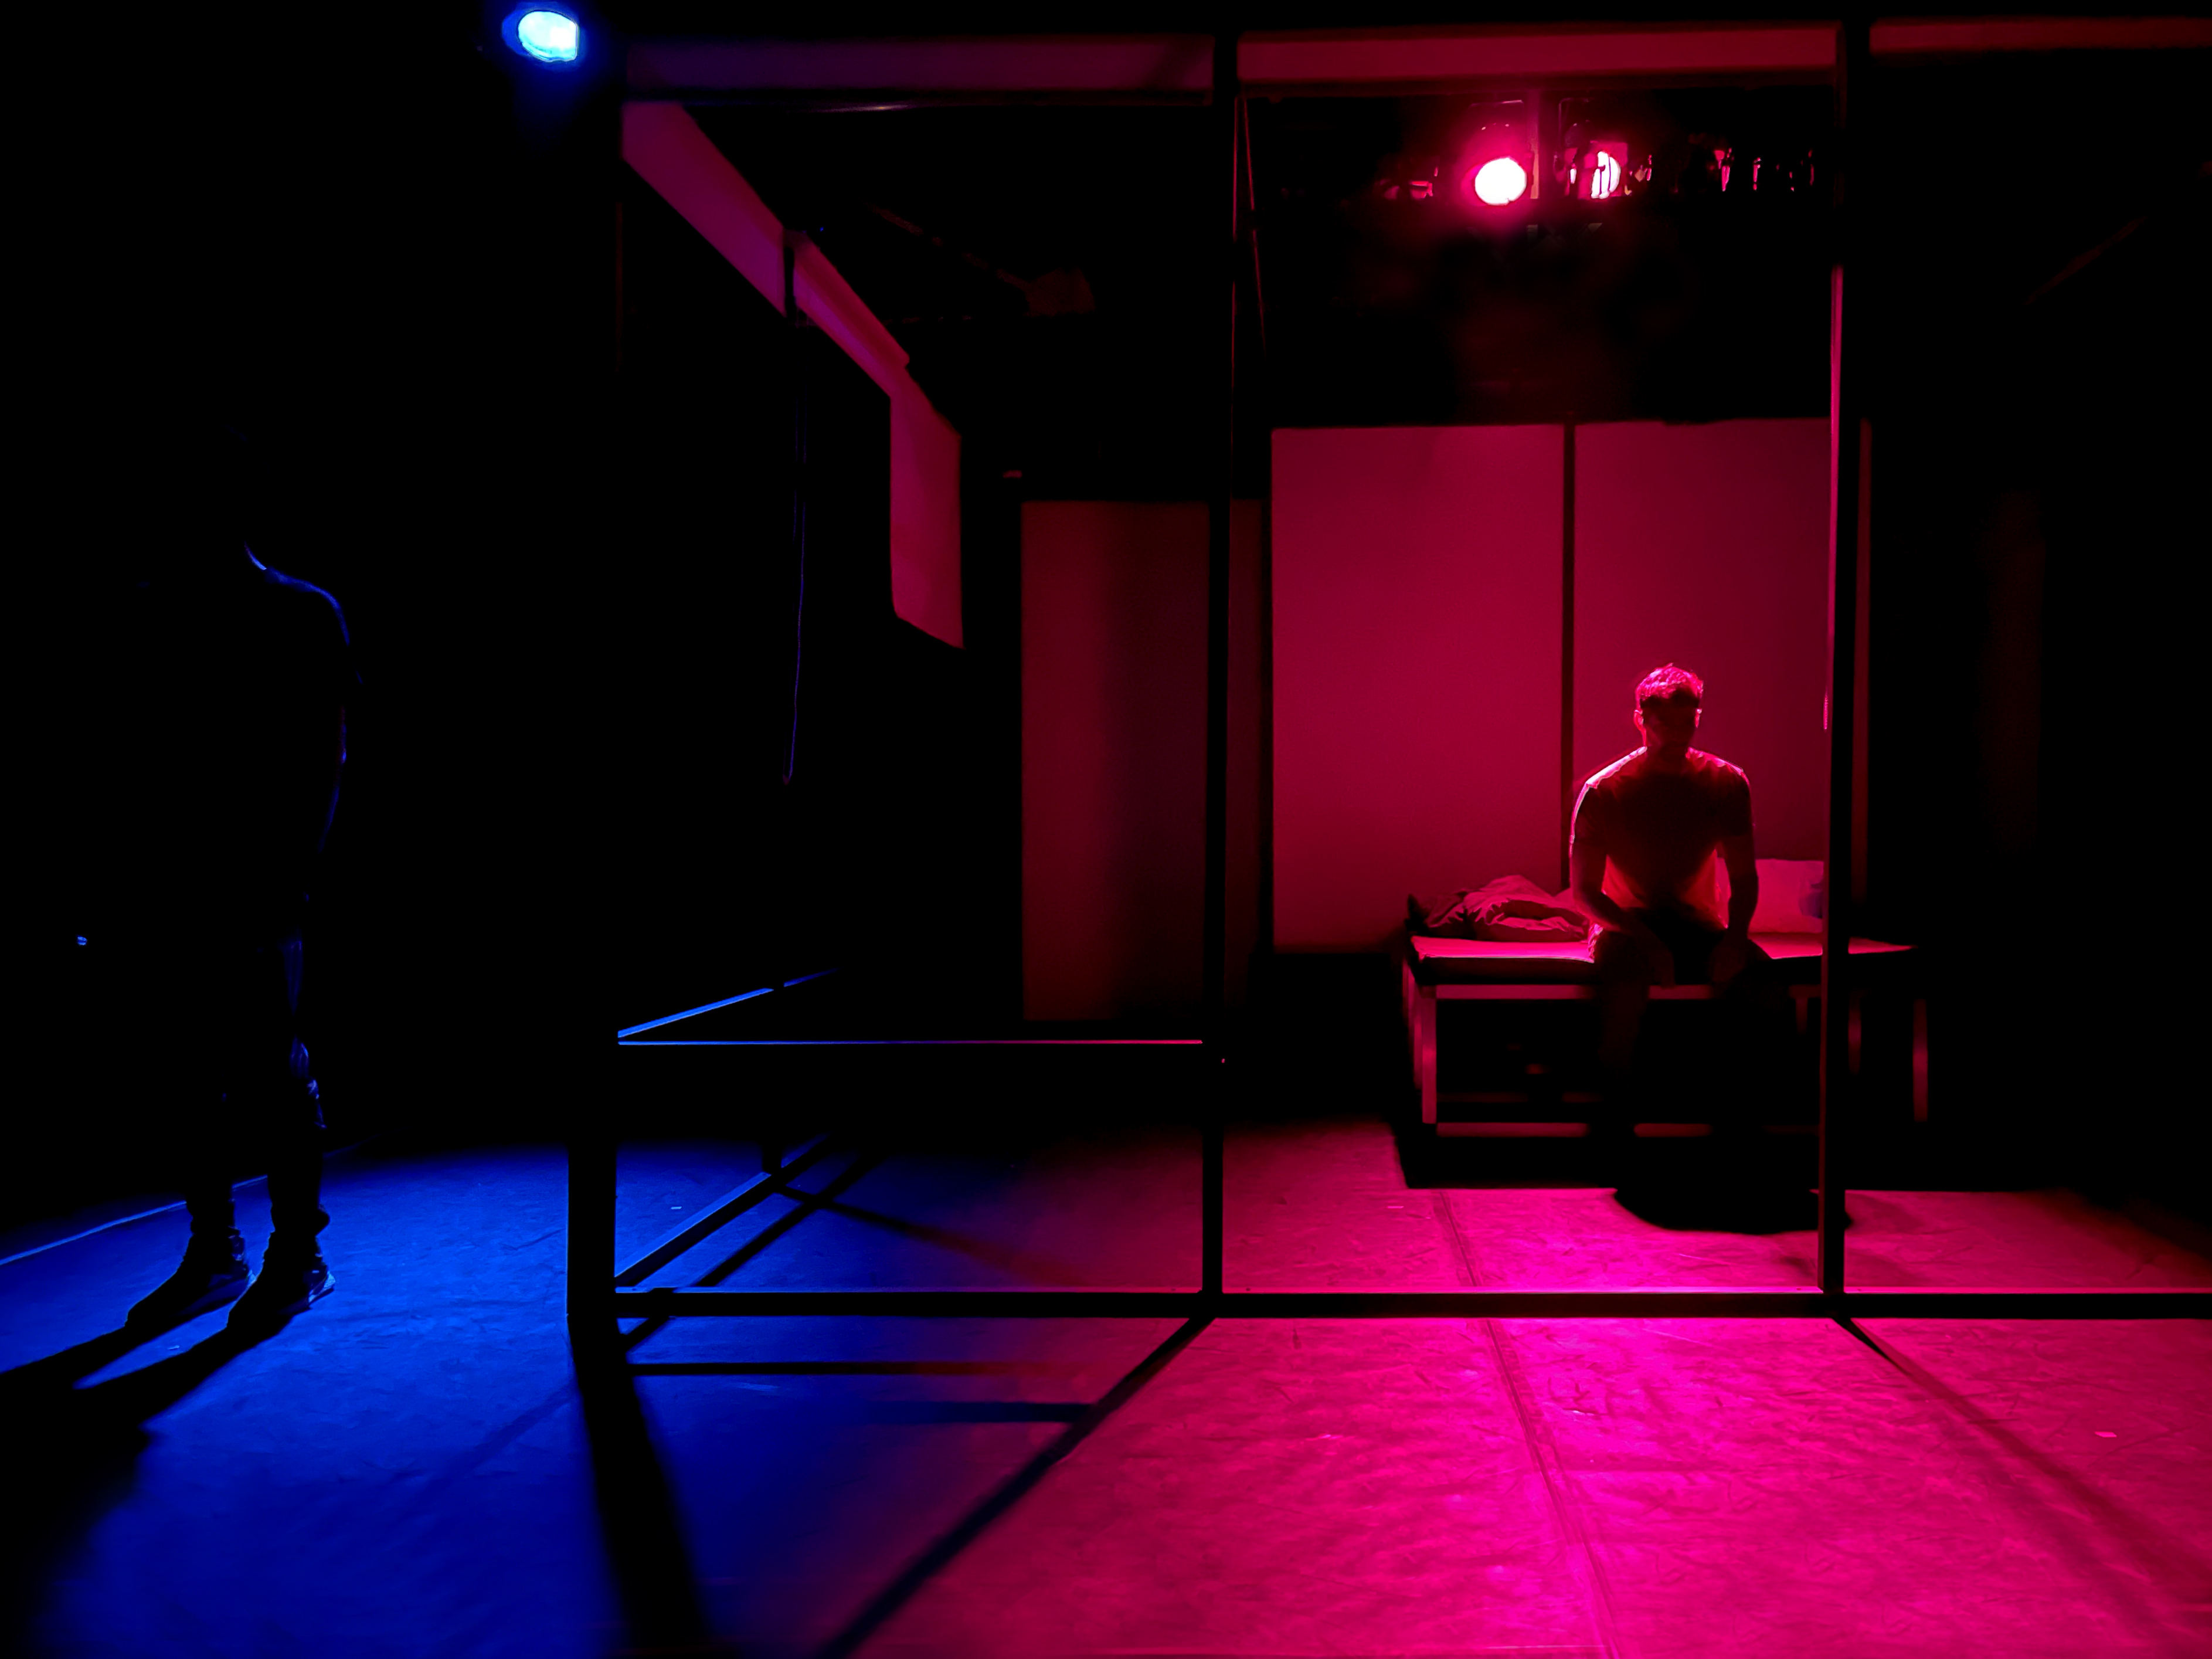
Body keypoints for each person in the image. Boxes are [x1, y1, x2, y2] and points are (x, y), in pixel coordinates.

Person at [104, 416, 357, 1332]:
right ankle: (219, 1250)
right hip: (169, 881)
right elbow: (118, 759)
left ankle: (295, 1253)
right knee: (184, 1072)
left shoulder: (298, 613)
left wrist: (290, 874)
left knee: (269, 1067)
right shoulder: (148, 614)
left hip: (253, 880)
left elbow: (324, 757)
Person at [1568, 664, 1779, 1128]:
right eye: (1665, 723)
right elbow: (1584, 893)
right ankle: (1616, 1122)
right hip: (1625, 925)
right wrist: (1645, 940)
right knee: (1623, 992)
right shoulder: (1604, 790)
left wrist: (1734, 938)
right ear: (1641, 720)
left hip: (1697, 925)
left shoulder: (1725, 782)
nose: (1678, 734)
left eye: (1687, 722)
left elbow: (1744, 877)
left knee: (1764, 987)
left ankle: (1744, 1123)